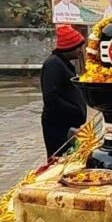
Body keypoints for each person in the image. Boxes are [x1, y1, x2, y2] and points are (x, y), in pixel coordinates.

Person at [41, 24, 87, 157]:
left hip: (68, 125)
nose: (80, 51)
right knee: (60, 160)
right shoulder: (53, 64)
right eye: (78, 47)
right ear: (69, 47)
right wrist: (73, 111)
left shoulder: (64, 64)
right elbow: (51, 98)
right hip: (58, 126)